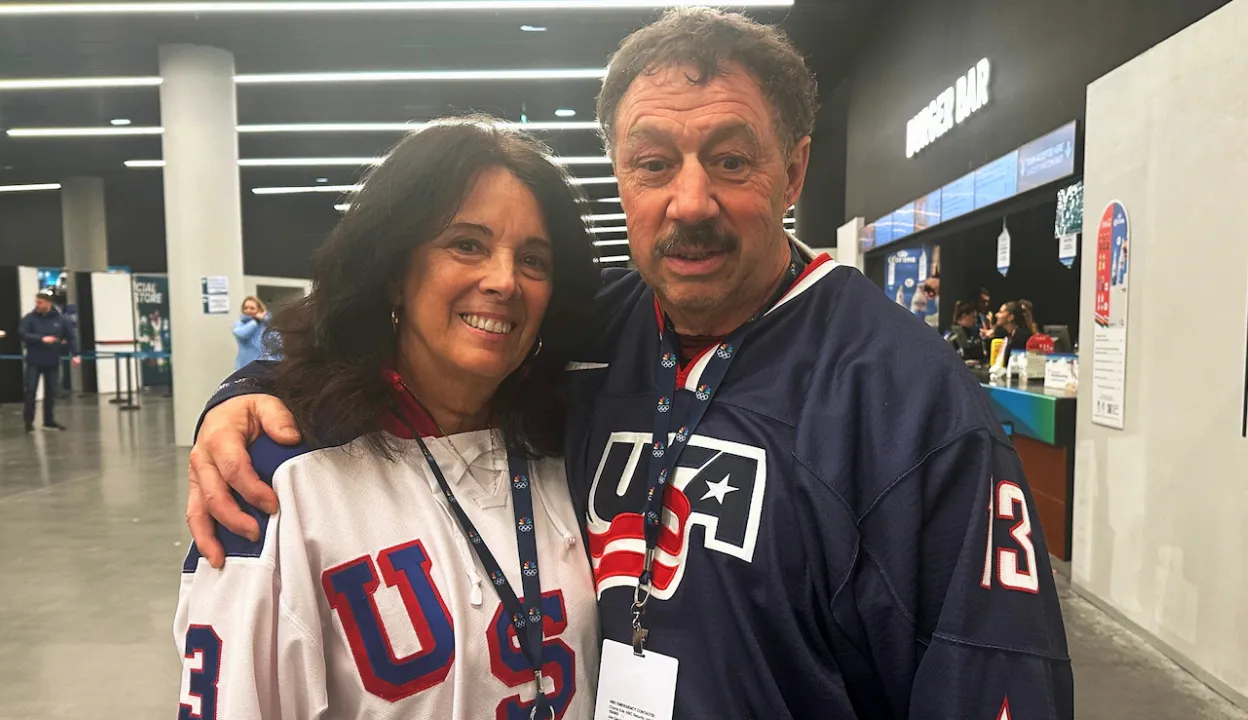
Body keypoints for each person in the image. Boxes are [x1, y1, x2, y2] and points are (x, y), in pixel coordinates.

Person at [185, 9, 1072, 719]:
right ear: (620, 175)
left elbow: (994, 674)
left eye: (730, 159)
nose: (690, 201)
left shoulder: (908, 398)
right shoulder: (580, 336)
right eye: (654, 163)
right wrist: (246, 394)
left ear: (795, 169)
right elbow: (404, 358)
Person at [174, 119, 602, 718]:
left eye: (533, 260)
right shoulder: (279, 477)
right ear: (395, 273)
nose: (505, 280)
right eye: (467, 244)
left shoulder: (570, 446)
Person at [19, 292, 78, 432]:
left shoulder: (61, 319)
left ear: (48, 303)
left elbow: (71, 337)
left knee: (51, 391)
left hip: (52, 360)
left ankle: (49, 421)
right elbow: (22, 334)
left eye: (40, 302)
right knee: (30, 391)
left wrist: (75, 354)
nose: (37, 305)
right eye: (36, 302)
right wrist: (41, 339)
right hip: (34, 360)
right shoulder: (30, 318)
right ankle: (28, 422)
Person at [233, 296, 270, 369]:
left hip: (264, 366)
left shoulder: (266, 325)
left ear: (259, 310)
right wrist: (256, 321)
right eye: (245, 308)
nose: (248, 310)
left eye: (252, 308)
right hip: (245, 367)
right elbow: (242, 334)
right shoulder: (239, 324)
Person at [995, 300, 1035, 367]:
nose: (996, 315)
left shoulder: (1022, 338)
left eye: (1000, 312)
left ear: (1010, 317)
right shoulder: (1008, 336)